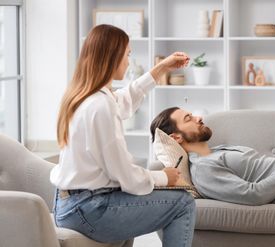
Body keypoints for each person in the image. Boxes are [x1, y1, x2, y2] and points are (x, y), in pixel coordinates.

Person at [50, 25, 196, 246]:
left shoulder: (86, 96)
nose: (128, 61)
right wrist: (164, 177)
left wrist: (161, 68)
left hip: (70, 203)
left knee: (135, 198)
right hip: (88, 210)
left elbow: (125, 99)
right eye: (127, 54)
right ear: (113, 57)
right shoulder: (100, 106)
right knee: (183, 203)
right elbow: (125, 176)